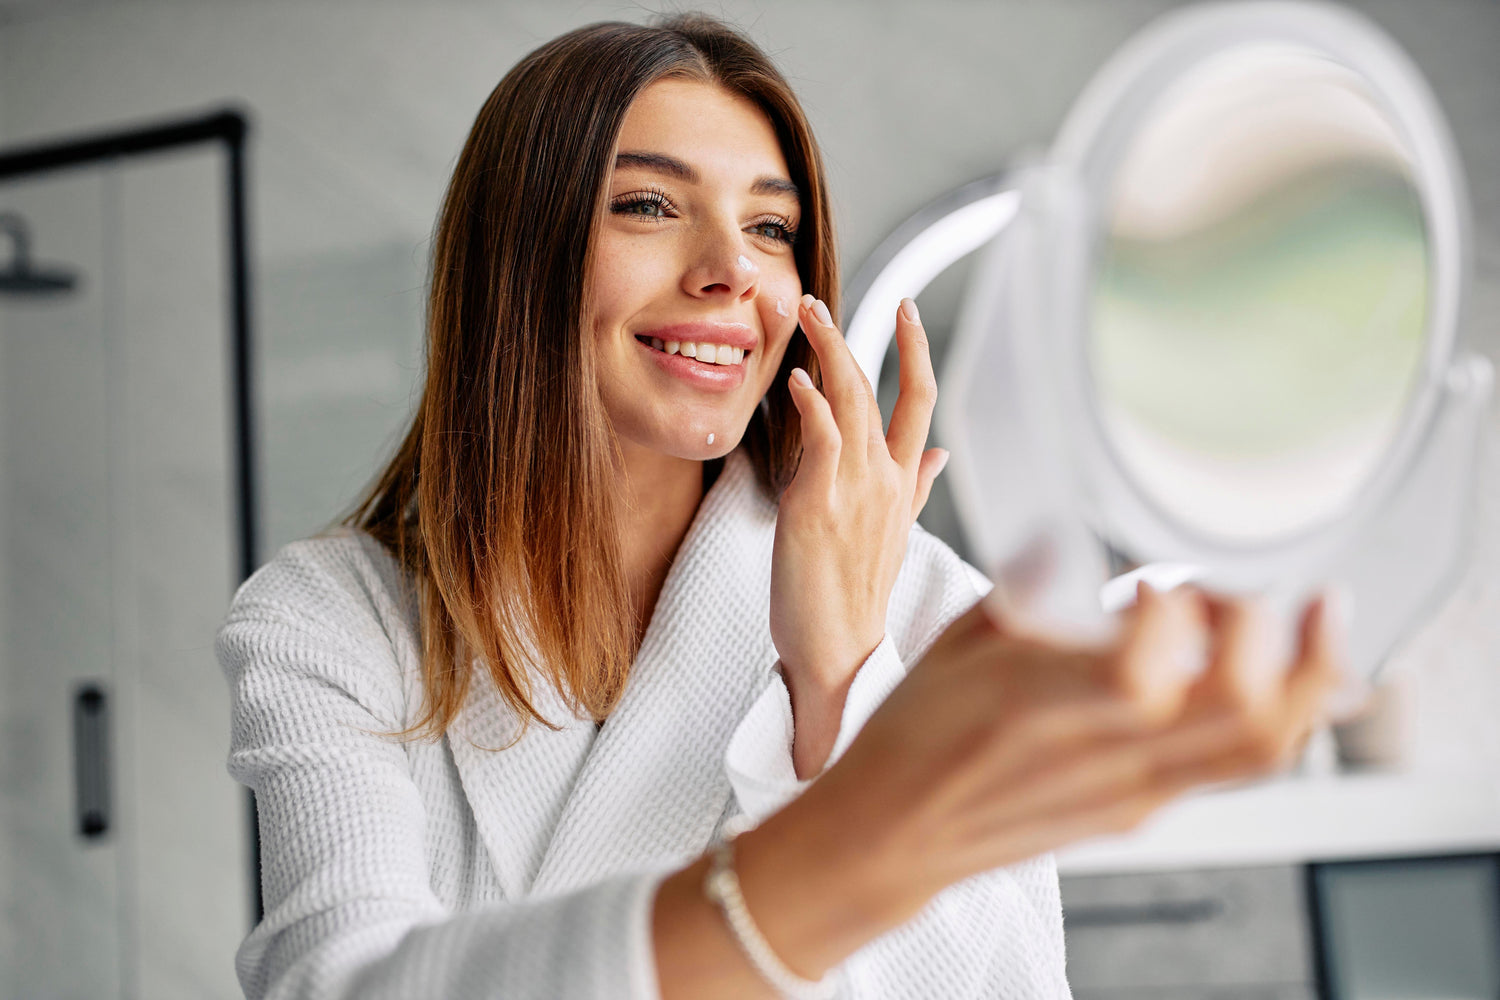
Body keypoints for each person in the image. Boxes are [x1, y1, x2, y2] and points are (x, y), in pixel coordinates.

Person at [215, 13, 1352, 1000]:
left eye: (770, 226)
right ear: (518, 258)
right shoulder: (335, 622)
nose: (732, 272)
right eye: (650, 206)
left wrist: (840, 681)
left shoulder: (926, 612)